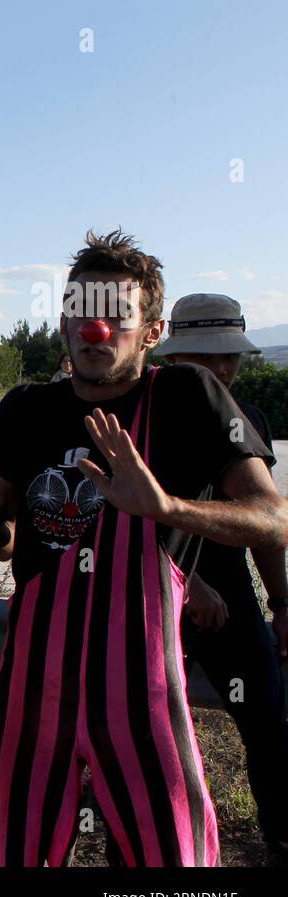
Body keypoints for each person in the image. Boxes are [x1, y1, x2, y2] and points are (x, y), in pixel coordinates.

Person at [0, 230, 288, 867]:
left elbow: (274, 519)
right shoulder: (28, 409)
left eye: (116, 313)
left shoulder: (188, 399)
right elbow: (3, 538)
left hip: (141, 697)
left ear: (151, 331)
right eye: (80, 309)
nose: (96, 328)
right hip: (32, 698)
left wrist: (166, 509)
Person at [153, 292, 288, 864]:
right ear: (177, 355)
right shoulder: (144, 414)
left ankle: (280, 836)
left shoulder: (248, 419)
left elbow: (267, 522)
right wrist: (185, 582)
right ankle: (157, 848)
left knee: (269, 719)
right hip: (152, 596)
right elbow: (121, 517)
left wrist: (282, 603)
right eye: (209, 357)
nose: (224, 368)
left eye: (230, 356)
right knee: (151, 736)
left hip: (231, 599)